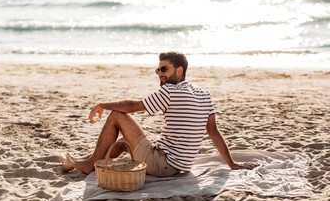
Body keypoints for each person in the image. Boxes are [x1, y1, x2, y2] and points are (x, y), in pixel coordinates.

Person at [59, 51, 258, 176]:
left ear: (179, 71)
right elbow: (214, 133)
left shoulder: (169, 91)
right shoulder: (204, 94)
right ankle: (81, 161)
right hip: (181, 165)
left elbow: (132, 106)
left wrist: (103, 104)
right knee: (121, 144)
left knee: (117, 116)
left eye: (164, 69)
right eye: (158, 69)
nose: (160, 73)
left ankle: (87, 164)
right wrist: (231, 164)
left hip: (163, 164)